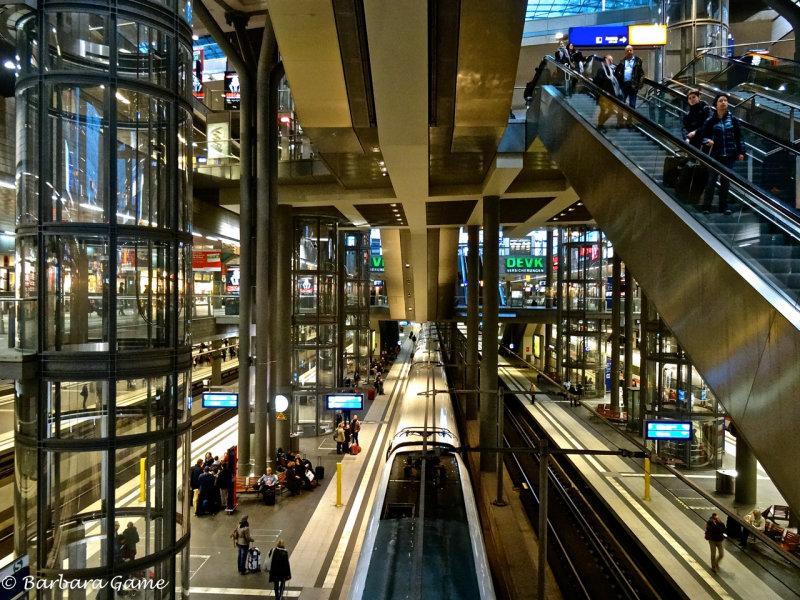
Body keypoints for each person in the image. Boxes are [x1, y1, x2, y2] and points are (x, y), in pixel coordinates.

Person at [700, 93, 745, 216]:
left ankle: (723, 207)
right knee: (711, 181)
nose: (724, 102)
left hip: (729, 154)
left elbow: (739, 137)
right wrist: (706, 141)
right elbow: (703, 135)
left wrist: (741, 151)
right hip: (715, 154)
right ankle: (706, 206)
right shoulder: (710, 120)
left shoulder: (733, 120)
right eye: (721, 100)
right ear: (716, 104)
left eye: (725, 100)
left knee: (726, 182)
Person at [593, 55, 621, 132]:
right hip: (603, 94)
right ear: (605, 61)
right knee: (603, 110)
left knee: (611, 110)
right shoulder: (601, 69)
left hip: (611, 94)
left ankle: (601, 123)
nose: (611, 62)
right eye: (609, 60)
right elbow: (596, 81)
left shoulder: (611, 70)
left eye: (612, 60)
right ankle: (600, 125)